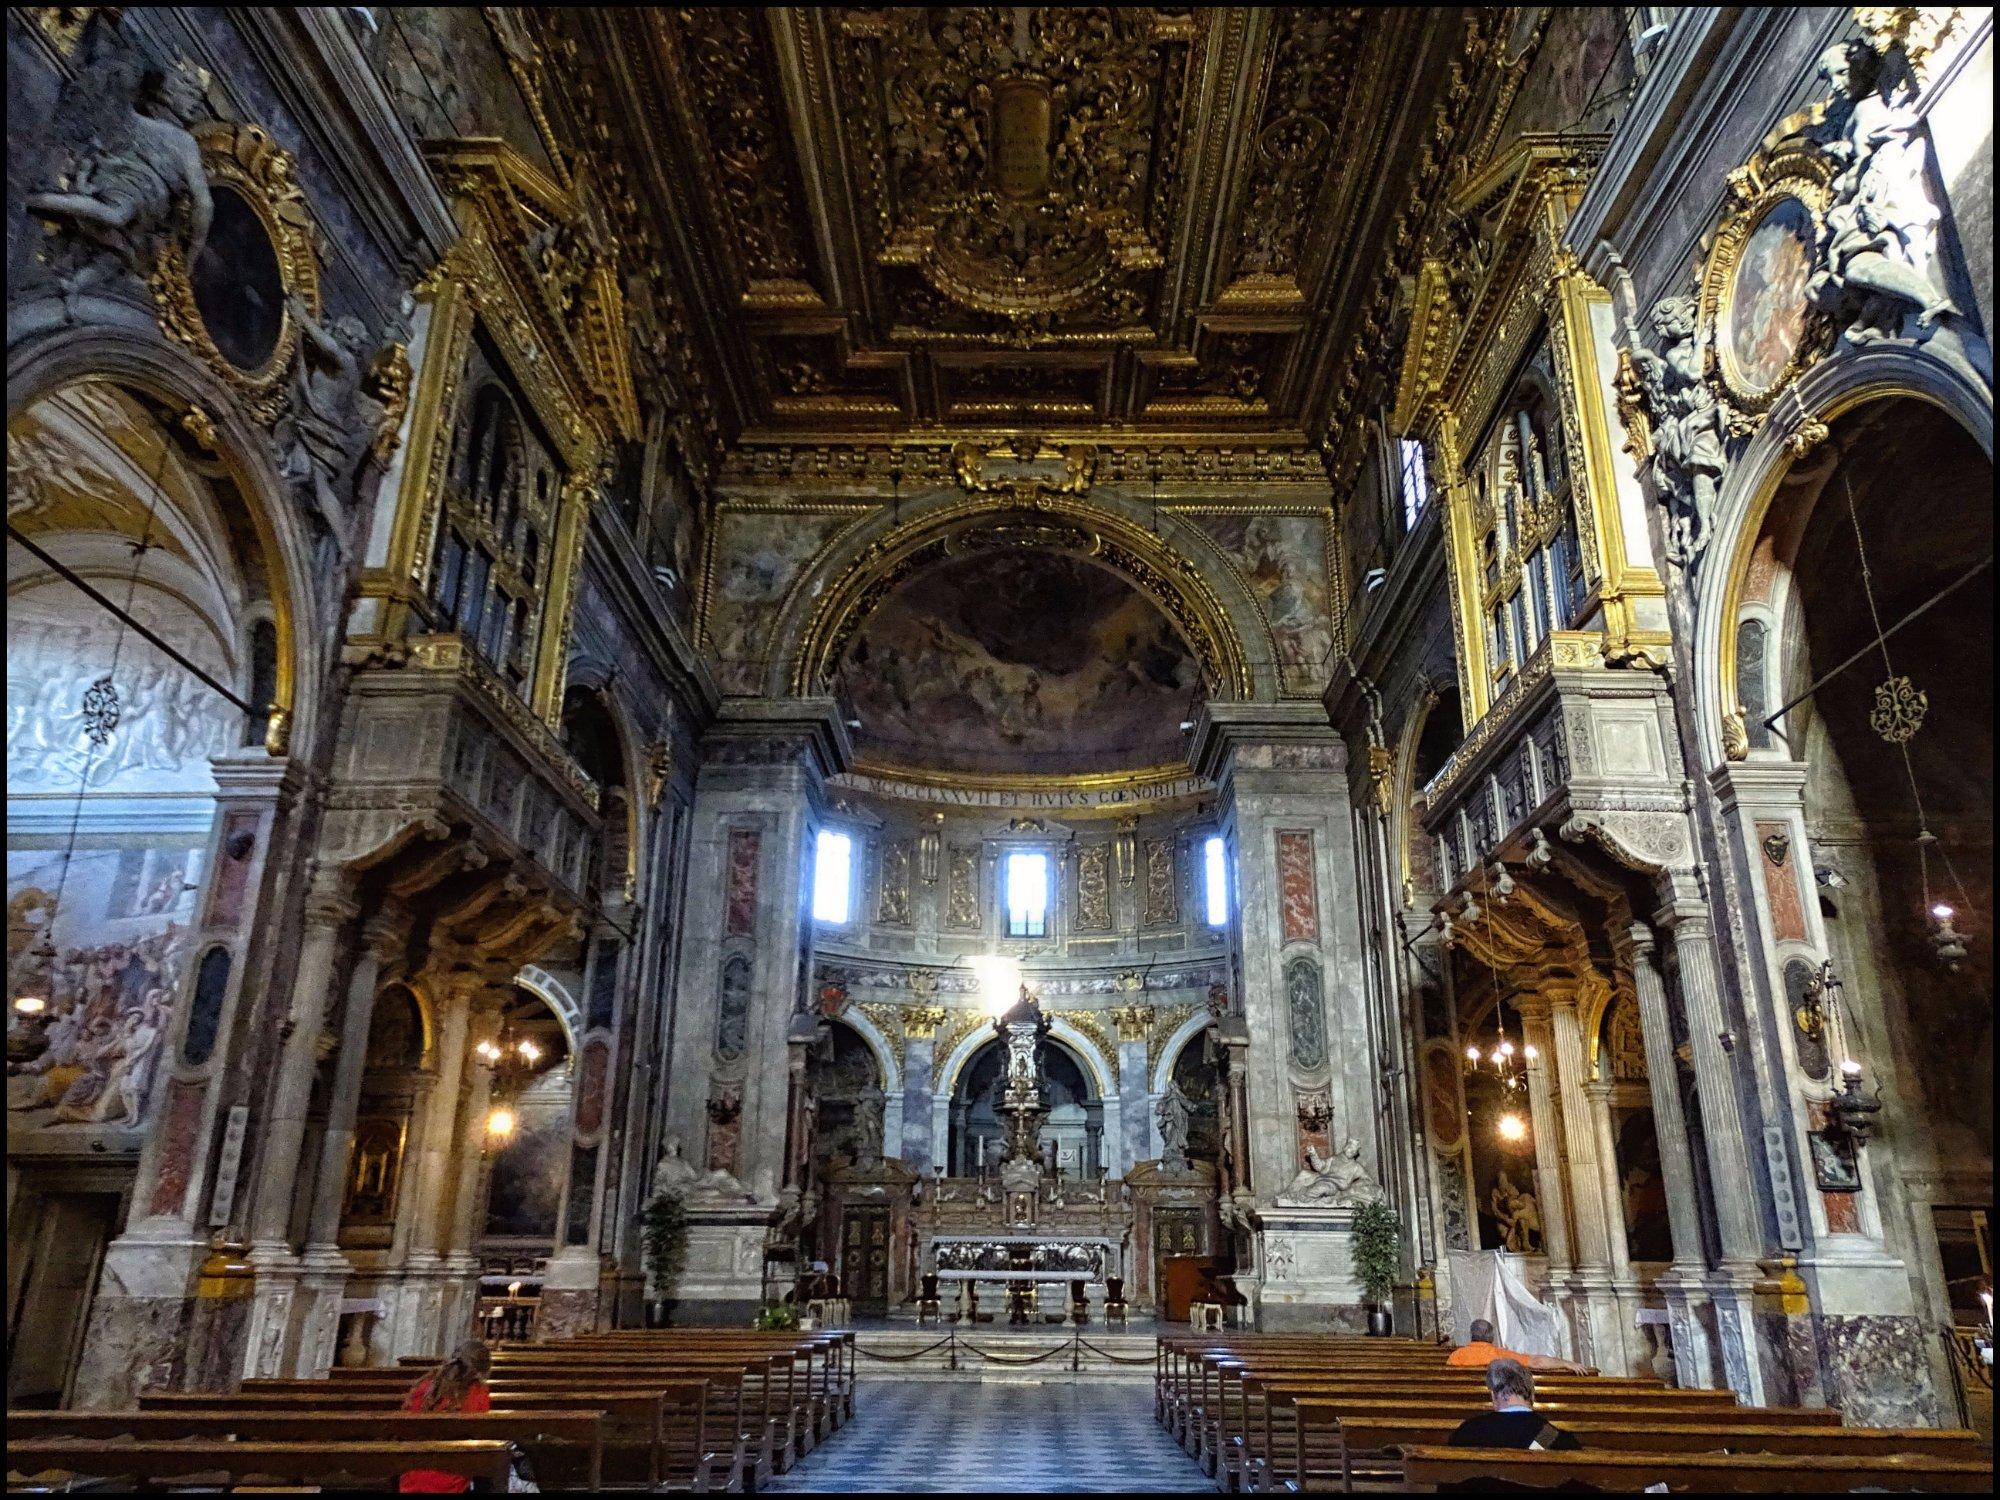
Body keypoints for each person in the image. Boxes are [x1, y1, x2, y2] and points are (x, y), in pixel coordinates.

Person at [398, 1339, 494, 1493]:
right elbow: (479, 1433)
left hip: (412, 1475)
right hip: (451, 1479)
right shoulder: (477, 1392)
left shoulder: (426, 1385)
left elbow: (405, 1426)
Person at [1446, 1318, 1594, 1375]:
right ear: (1491, 1337)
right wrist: (1565, 1363)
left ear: (1471, 1335)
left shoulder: (1455, 1356)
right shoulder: (1501, 1355)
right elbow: (1537, 1362)